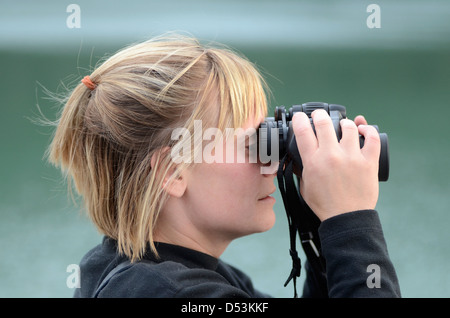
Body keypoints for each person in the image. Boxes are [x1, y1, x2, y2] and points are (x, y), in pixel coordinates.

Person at [48, 33, 401, 298]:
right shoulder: (170, 292)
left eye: (270, 138)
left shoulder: (145, 273)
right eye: (253, 143)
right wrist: (352, 221)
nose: (273, 162)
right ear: (172, 171)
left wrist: (324, 224)